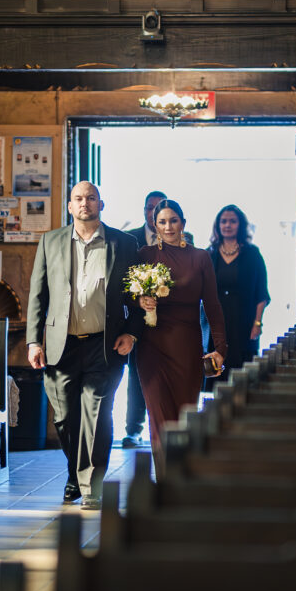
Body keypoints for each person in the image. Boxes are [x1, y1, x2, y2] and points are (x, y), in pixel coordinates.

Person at [26, 181, 143, 510]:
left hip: (103, 345)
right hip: (59, 346)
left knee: (97, 414)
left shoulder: (124, 243)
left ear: (101, 204)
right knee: (65, 419)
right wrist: (34, 341)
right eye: (78, 198)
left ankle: (91, 486)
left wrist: (132, 333)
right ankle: (75, 473)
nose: (84, 204)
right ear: (69, 206)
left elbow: (137, 296)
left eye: (91, 198)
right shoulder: (51, 241)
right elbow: (38, 294)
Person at [136, 199, 226, 477]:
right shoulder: (144, 254)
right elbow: (128, 297)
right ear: (155, 225)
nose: (168, 227)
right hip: (151, 347)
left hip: (187, 346)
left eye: (173, 220)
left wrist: (220, 348)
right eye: (162, 222)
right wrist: (141, 300)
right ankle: (164, 481)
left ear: (183, 223)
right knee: (159, 418)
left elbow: (212, 304)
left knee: (184, 417)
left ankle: (181, 478)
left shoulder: (200, 258)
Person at [121, 190, 194, 448]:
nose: (155, 216)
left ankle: (174, 428)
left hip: (173, 325)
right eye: (149, 209)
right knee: (137, 378)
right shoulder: (132, 240)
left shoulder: (187, 241)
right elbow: (125, 283)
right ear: (145, 212)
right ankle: (134, 429)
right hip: (140, 323)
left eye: (158, 210)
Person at [204, 204, 270, 390]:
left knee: (241, 377)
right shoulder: (210, 254)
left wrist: (257, 323)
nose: (227, 225)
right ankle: (211, 414)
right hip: (216, 323)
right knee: (215, 372)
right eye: (223, 221)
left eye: (232, 221)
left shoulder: (252, 254)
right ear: (218, 226)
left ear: (240, 225)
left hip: (244, 322)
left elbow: (261, 293)